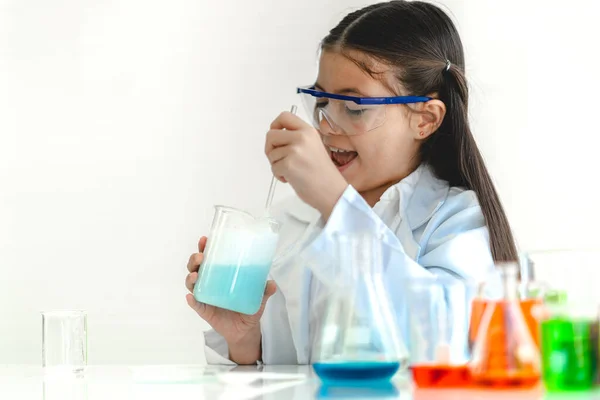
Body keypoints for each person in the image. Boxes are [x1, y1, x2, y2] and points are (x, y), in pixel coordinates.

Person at [185, 0, 518, 365]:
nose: (327, 125)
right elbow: (287, 378)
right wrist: (245, 342)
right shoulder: (293, 223)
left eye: (355, 107)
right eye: (322, 101)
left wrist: (334, 199)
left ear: (425, 119)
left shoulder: (455, 221)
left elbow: (444, 344)